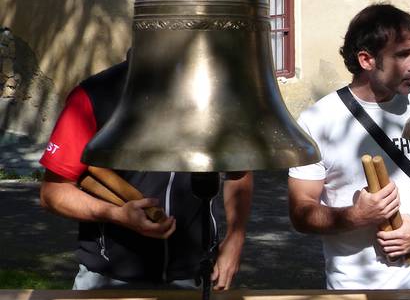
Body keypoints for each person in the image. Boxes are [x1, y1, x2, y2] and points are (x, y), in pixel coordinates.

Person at [288, 4, 410, 289]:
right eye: (402, 55)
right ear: (366, 60)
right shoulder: (318, 121)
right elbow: (301, 211)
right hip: (355, 289)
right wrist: (355, 216)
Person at [39, 59, 253, 290]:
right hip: (108, 277)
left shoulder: (213, 93)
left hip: (194, 273)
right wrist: (115, 214)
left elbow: (239, 171)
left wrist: (235, 237)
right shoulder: (94, 94)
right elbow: (53, 192)